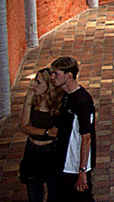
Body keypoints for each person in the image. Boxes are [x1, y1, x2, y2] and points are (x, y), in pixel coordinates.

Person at [51, 56, 96, 201]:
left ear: (68, 75)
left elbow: (86, 138)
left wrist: (82, 171)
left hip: (73, 165)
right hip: (63, 162)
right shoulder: (66, 95)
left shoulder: (82, 101)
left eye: (56, 74)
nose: (52, 77)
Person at [18, 68, 62, 202]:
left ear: (49, 85)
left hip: (51, 151)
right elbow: (24, 126)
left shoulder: (58, 103)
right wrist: (46, 132)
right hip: (32, 150)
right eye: (35, 81)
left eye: (39, 82)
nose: (34, 85)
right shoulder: (32, 99)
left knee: (54, 193)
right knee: (34, 194)